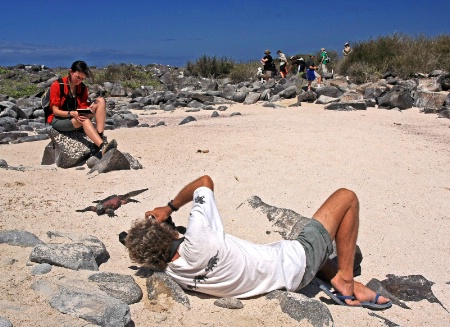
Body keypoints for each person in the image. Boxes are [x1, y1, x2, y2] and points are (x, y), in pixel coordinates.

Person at [125, 175, 392, 309]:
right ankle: (345, 280)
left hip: (280, 274)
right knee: (346, 197)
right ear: (171, 233)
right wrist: (169, 208)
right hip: (296, 261)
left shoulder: (172, 272)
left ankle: (331, 275)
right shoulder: (199, 238)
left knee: (282, 254)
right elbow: (204, 182)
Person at [47, 60, 116, 155]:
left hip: (75, 115)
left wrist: (89, 109)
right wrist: (72, 113)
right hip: (59, 119)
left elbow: (82, 106)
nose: (79, 81)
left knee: (100, 101)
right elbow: (55, 111)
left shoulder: (82, 88)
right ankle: (102, 146)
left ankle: (99, 135)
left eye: (82, 79)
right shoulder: (57, 85)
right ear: (71, 72)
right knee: (84, 120)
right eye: (77, 77)